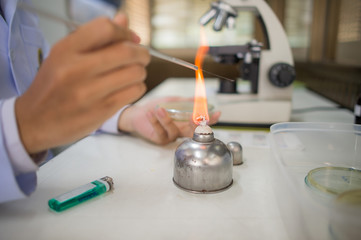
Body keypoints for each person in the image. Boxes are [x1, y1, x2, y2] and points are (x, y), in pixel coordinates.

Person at [0, 1, 220, 203]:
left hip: (42, 194)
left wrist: (129, 117)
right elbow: (38, 106)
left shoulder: (19, 7)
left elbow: (57, 93)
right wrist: (23, 129)